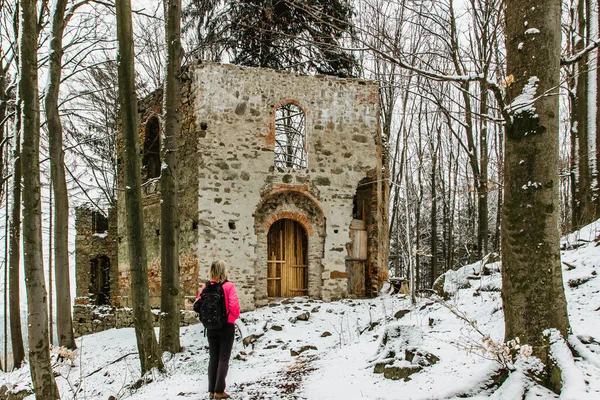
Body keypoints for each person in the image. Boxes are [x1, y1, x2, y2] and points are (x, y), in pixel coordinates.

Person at [197, 260, 240, 399]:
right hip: (226, 326)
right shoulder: (229, 286)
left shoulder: (206, 287)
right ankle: (219, 391)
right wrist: (231, 319)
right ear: (224, 270)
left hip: (210, 327)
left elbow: (197, 304)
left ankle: (211, 390)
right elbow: (235, 307)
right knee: (223, 358)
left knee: (213, 357)